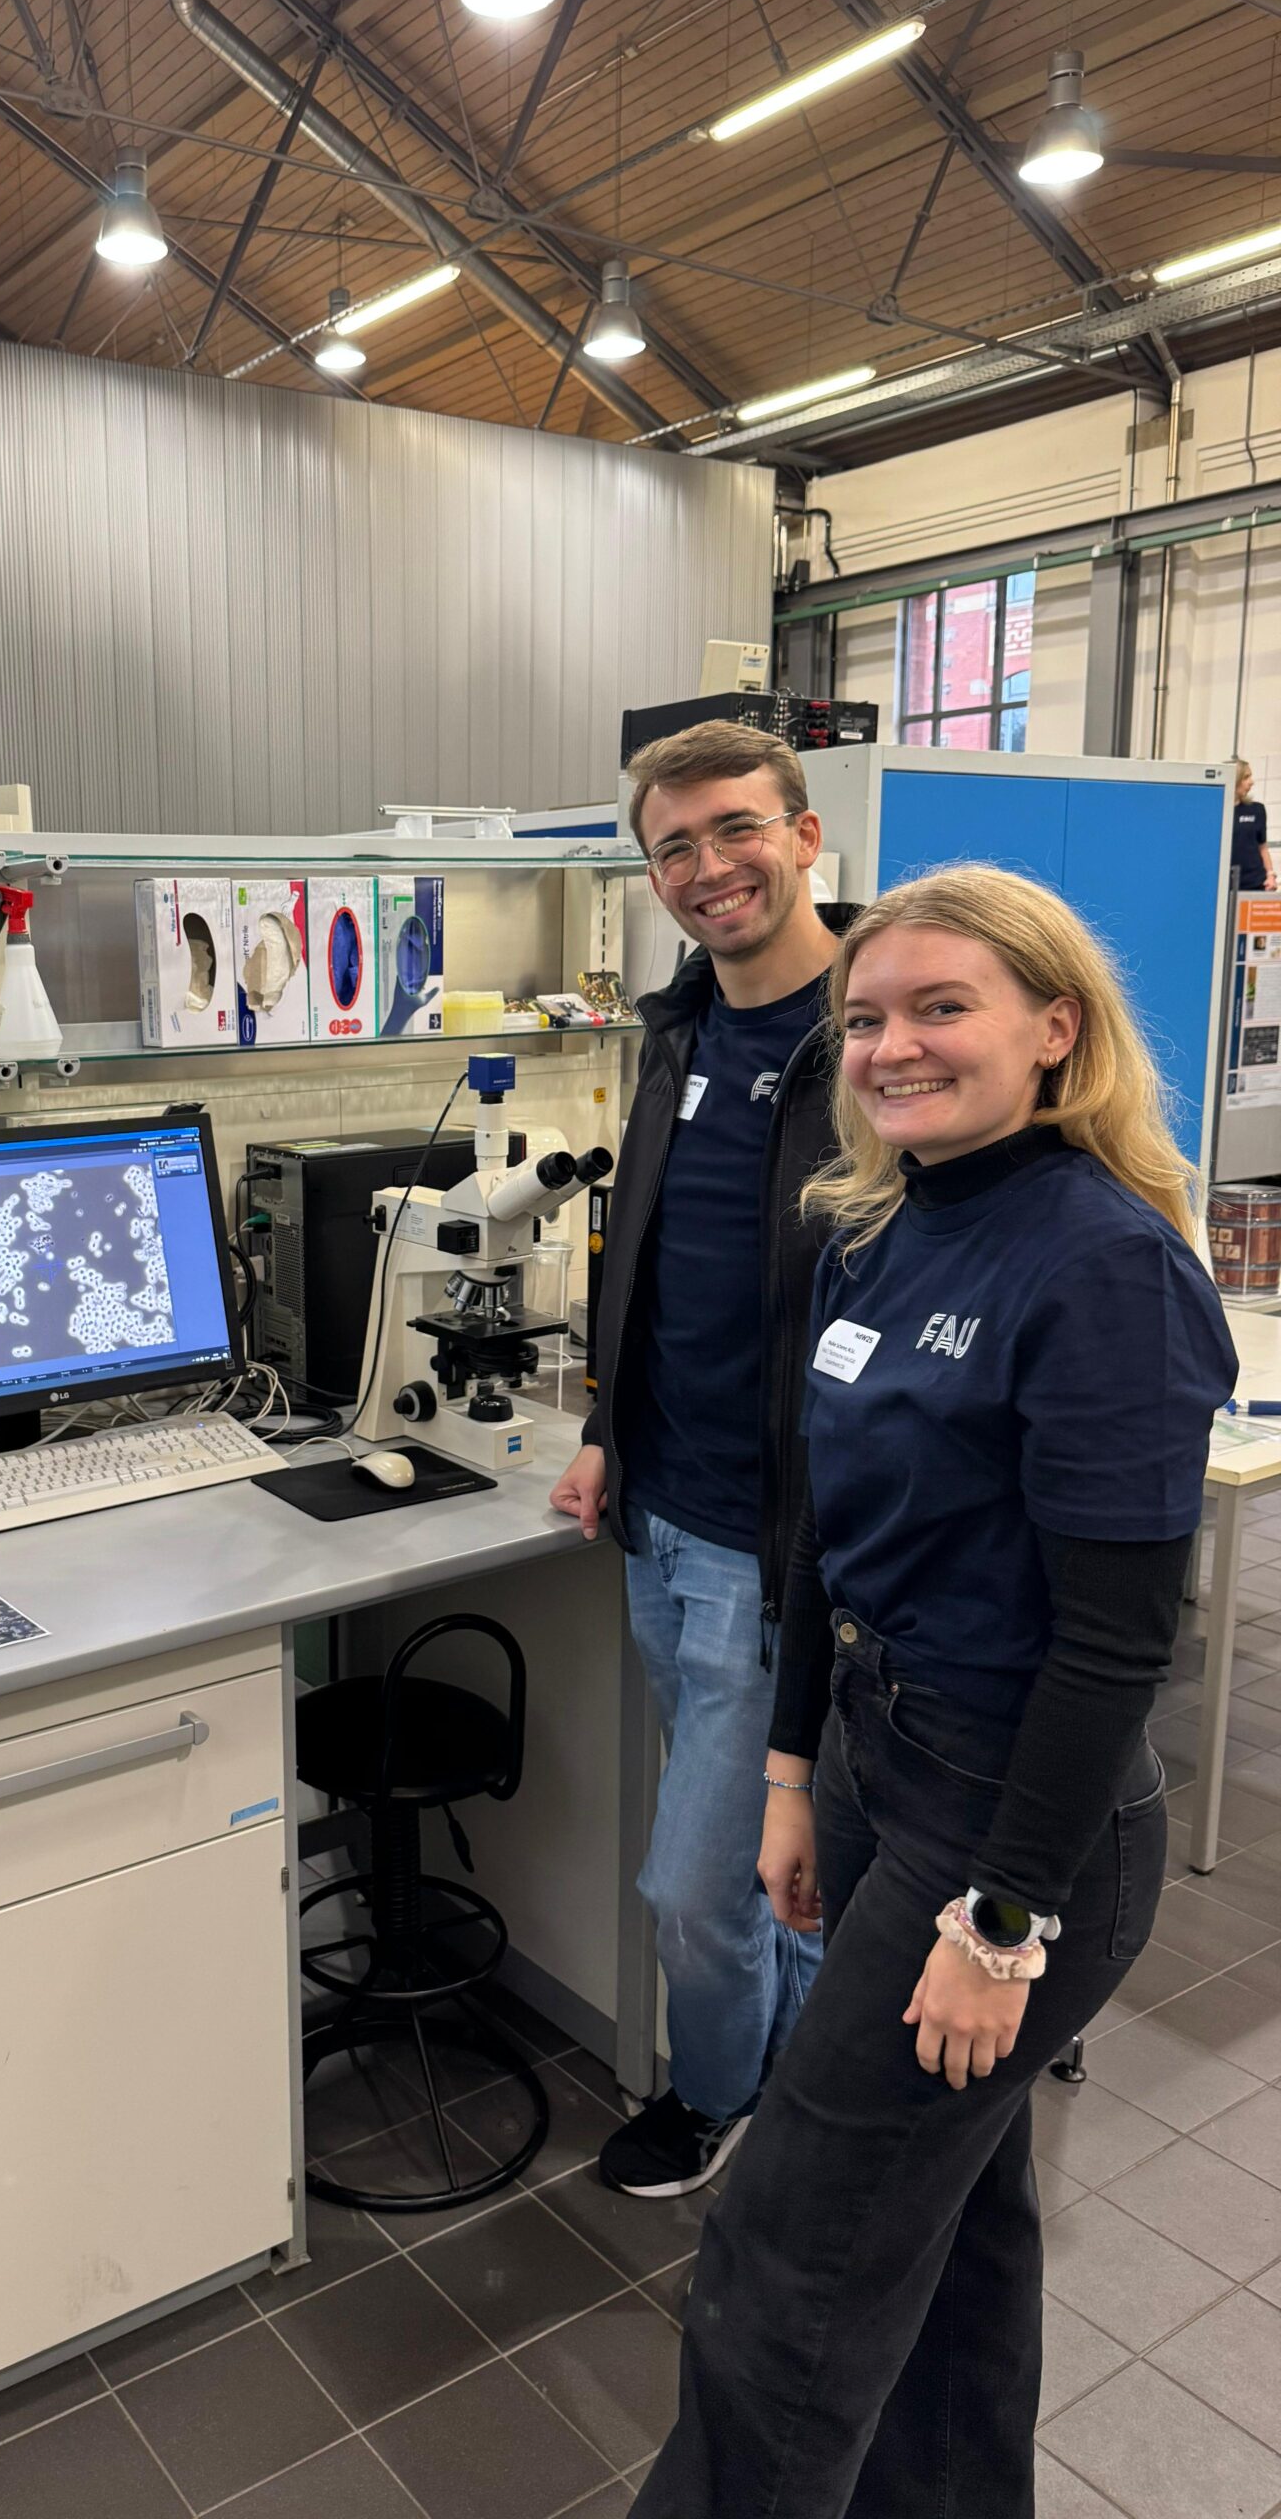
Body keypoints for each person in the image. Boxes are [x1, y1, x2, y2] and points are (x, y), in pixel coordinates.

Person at [633, 865, 1234, 2519]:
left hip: (1013, 1812)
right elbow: (823, 1536)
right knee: (955, 2230)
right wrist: (784, 1775)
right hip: (880, 1763)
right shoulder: (878, 1226)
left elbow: (1119, 1646)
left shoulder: (1105, 1267)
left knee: (786, 2263)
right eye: (871, 1016)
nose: (892, 1045)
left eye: (941, 1008)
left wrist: (1001, 1923)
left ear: (1056, 1028)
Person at [549, 721, 852, 2200]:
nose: (707, 867)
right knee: (758, 1859)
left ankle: (722, 2094)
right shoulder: (674, 1032)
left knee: (693, 1886)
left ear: (802, 834)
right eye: (673, 846)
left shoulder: (875, 1043)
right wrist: (607, 1429)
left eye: (736, 829)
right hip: (662, 1511)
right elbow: (648, 1259)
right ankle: (802, 2079)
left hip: (774, 1541)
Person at [1231, 757, 1275, 895]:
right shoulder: (1216, 811)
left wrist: (1270, 875)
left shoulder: (1256, 810)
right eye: (1246, 777)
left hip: (1255, 883)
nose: (1252, 782)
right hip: (1225, 884)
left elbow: (1262, 847)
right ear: (1235, 780)